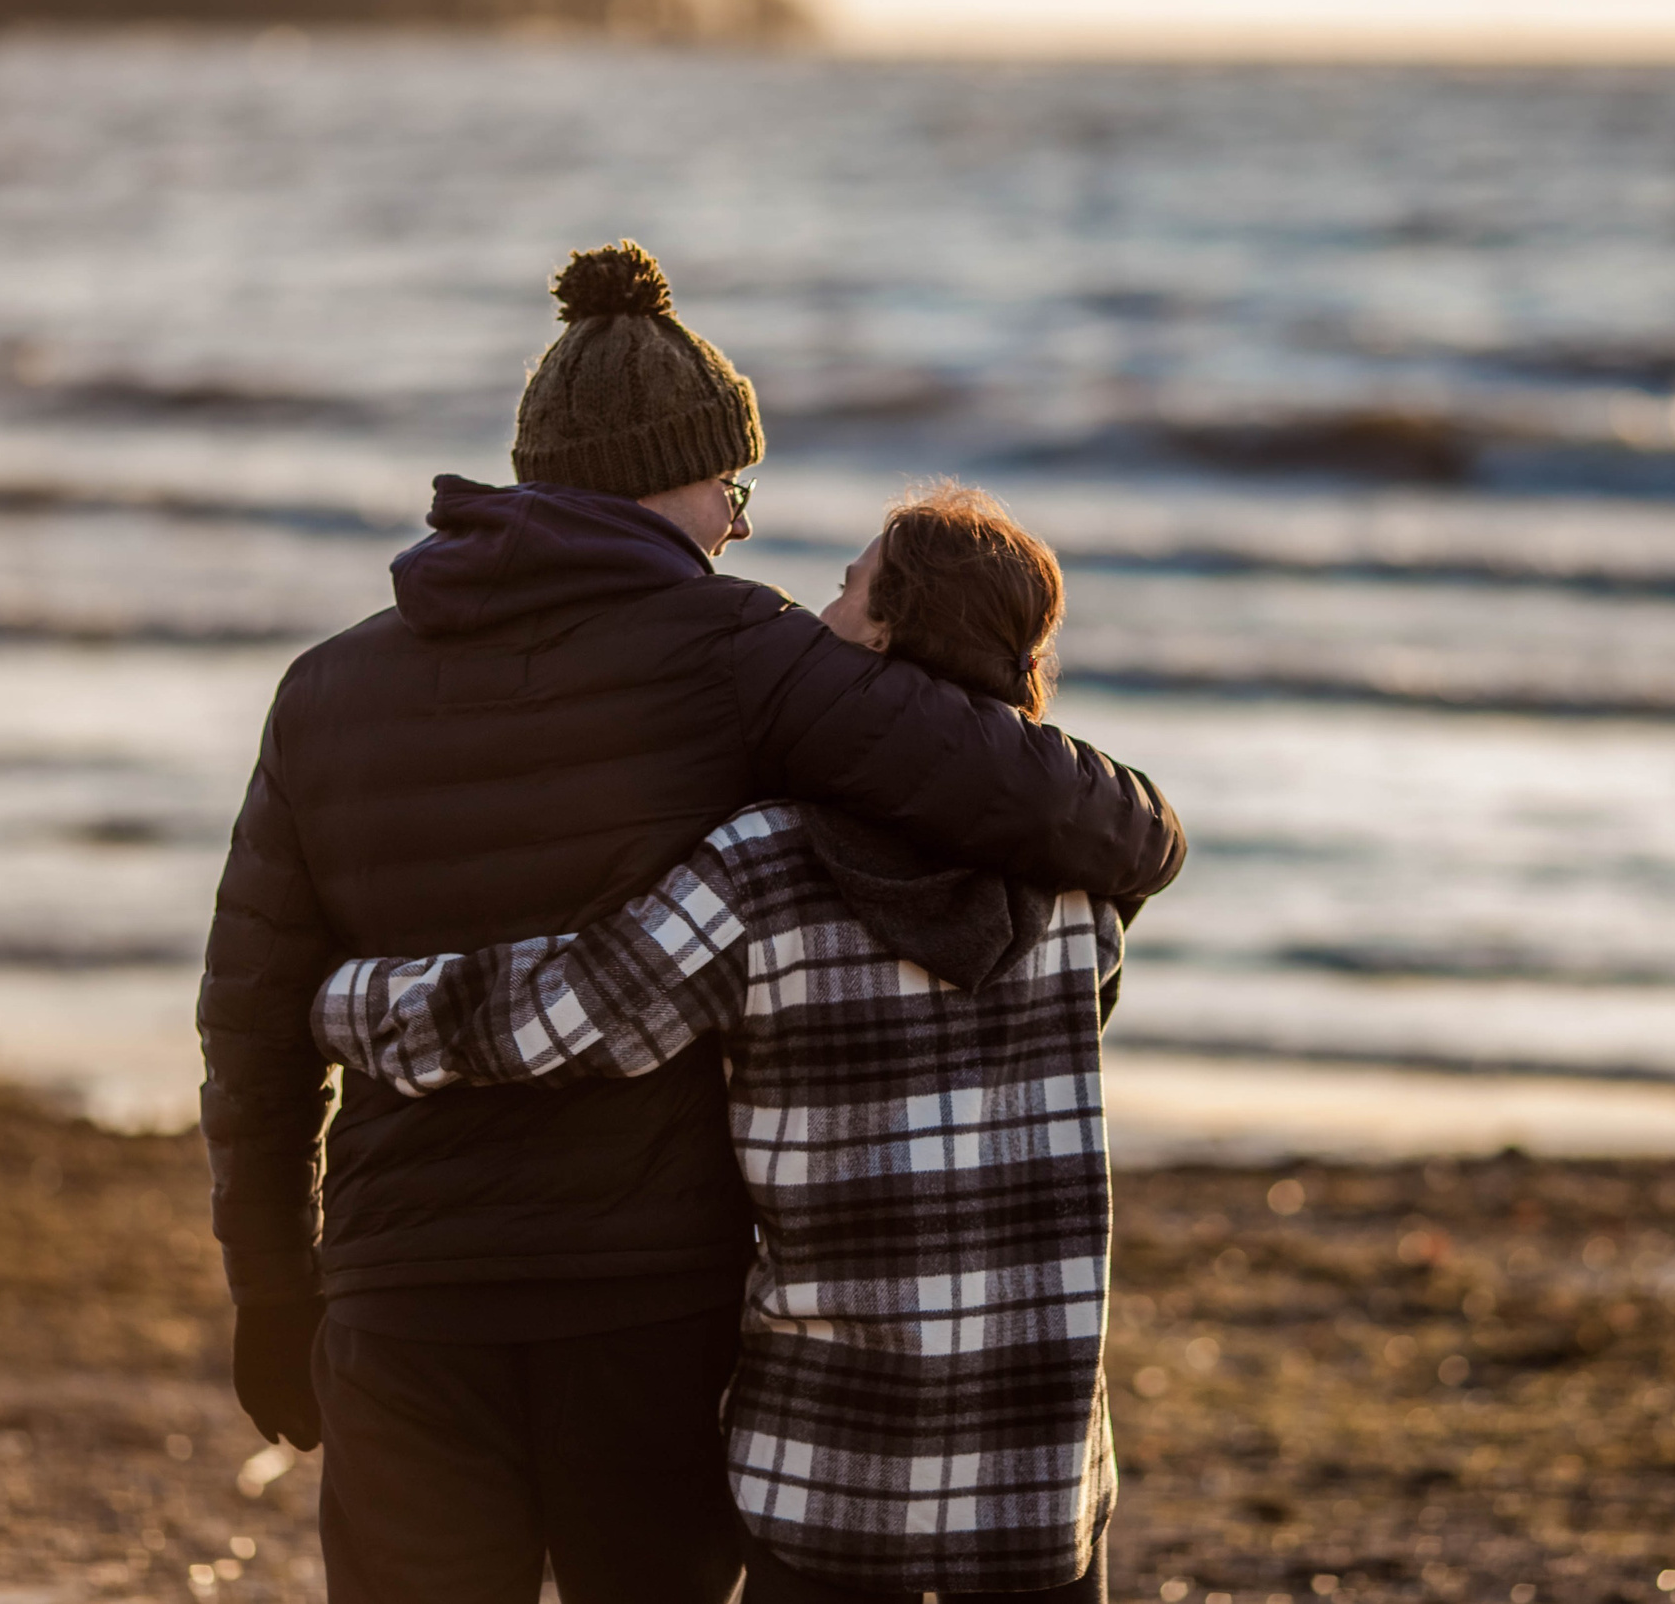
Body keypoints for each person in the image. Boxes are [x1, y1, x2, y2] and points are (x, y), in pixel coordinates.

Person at [195, 246, 1185, 1604]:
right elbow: (1049, 801)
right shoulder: (744, 656)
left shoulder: (323, 690)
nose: (741, 521)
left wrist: (271, 1278)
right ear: (677, 474)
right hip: (649, 1305)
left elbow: (249, 1014)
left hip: (398, 1290)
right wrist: (1139, 835)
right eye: (737, 484)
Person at [315, 485, 1125, 1603]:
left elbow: (561, 1014)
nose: (820, 612)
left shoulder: (766, 867)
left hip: (828, 1475)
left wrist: (351, 1000)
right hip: (1037, 1479)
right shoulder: (1083, 888)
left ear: (886, 631)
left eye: (847, 586)